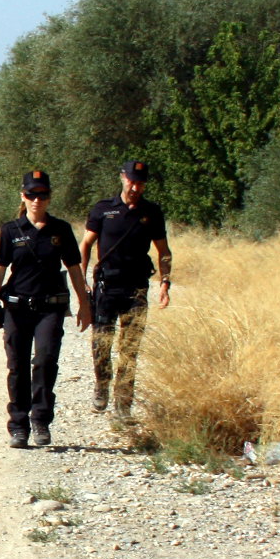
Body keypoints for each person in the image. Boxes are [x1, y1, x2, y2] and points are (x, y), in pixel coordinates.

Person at [0, 169, 91, 449]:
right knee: (17, 366)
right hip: (17, 308)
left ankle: (41, 420)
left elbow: (74, 269)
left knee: (44, 362)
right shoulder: (10, 230)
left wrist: (84, 303)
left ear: (49, 197)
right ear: (23, 196)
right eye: (31, 195)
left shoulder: (61, 230)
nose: (37, 200)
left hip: (50, 309)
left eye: (42, 195)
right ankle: (19, 426)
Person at [80, 159, 172, 419]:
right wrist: (84, 279)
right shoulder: (103, 209)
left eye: (140, 182)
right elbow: (86, 244)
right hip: (106, 286)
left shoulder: (152, 213)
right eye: (131, 180)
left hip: (136, 289)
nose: (135, 186)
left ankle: (123, 403)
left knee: (130, 348)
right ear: (122, 177)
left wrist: (165, 282)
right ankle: (101, 385)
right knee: (101, 342)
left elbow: (164, 251)